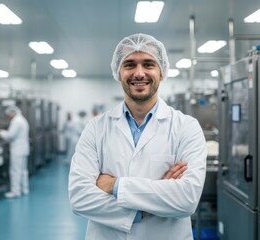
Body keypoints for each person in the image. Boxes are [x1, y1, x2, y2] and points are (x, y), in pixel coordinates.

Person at [68, 33, 207, 239]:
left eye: (149, 64)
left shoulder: (186, 127)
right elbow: (80, 198)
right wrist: (146, 207)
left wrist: (114, 185)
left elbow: (187, 199)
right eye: (130, 64)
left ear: (162, 71)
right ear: (118, 71)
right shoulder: (96, 128)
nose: (139, 73)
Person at [0, 106, 30, 198]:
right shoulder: (22, 119)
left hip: (18, 150)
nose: (8, 117)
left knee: (15, 171)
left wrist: (1, 133)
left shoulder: (16, 121)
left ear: (12, 113)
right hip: (24, 149)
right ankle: (24, 189)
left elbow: (10, 136)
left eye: (8, 115)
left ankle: (16, 191)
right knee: (23, 170)